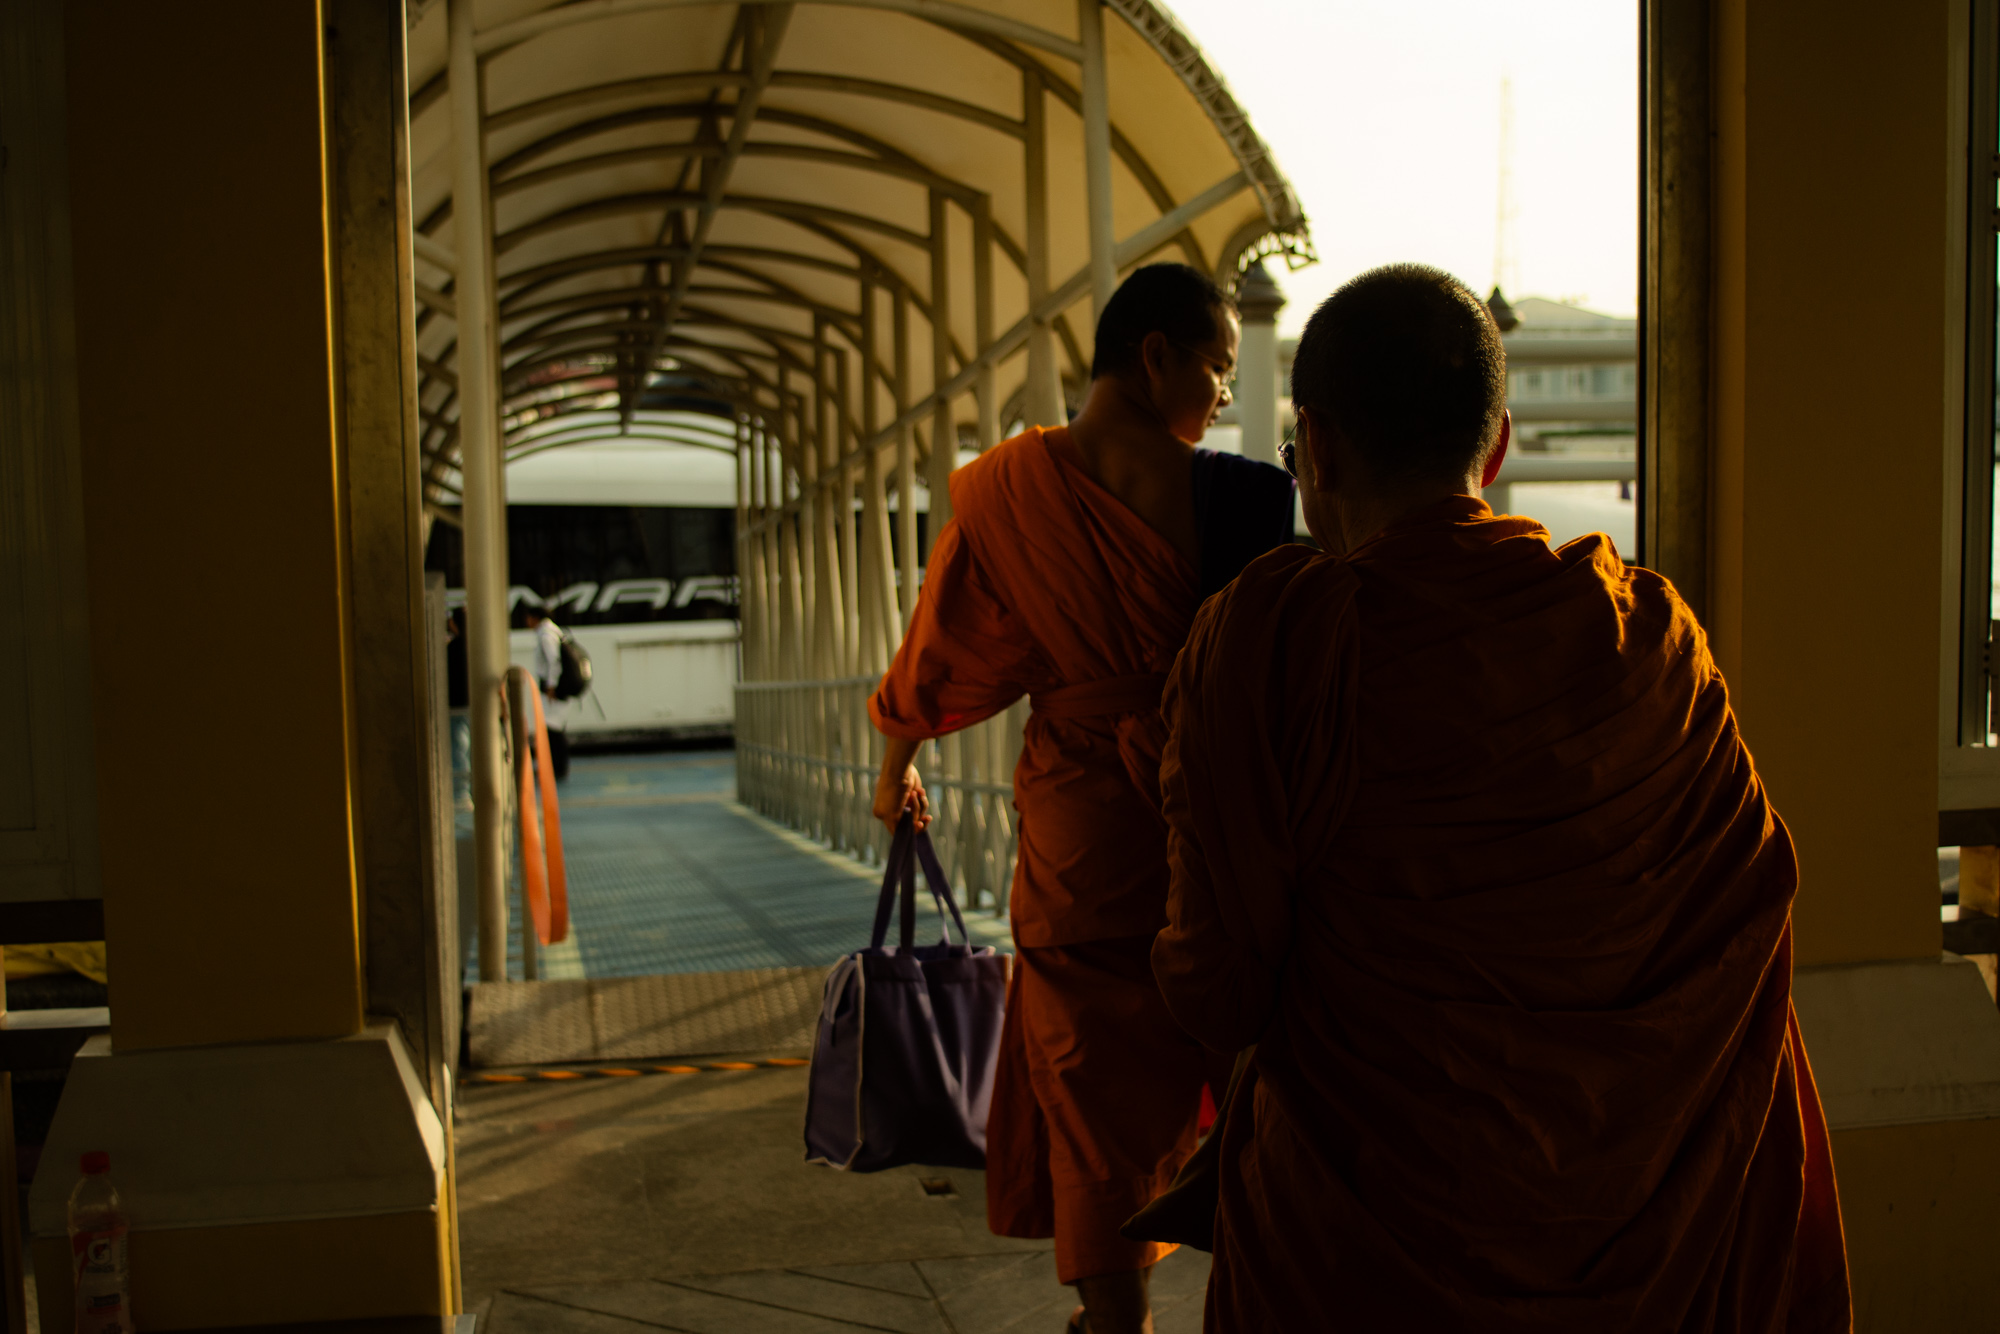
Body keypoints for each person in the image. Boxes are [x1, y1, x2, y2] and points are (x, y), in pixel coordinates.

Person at [1154, 264, 1850, 1331]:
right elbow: (1735, 942)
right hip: (1649, 1242)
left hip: (1357, 1258)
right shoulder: (1650, 635)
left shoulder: (1273, 643)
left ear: (1321, 448)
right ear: (1498, 445)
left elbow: (1214, 989)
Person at [868, 263, 1295, 1334]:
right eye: (1216, 369)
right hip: (1217, 818)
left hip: (1081, 834)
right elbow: (1275, 671)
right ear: (1156, 357)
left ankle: (1117, 1324)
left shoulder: (1007, 495)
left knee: (1091, 1089)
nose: (1220, 399)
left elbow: (940, 652)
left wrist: (893, 769)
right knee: (1254, 1068)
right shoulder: (1242, 499)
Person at [521, 603, 571, 782]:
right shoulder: (552, 631)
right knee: (554, 727)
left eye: (528, 617)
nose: (527, 621)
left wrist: (551, 685)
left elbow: (553, 661)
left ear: (535, 618)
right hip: (554, 686)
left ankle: (556, 768)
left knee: (552, 728)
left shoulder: (546, 635)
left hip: (553, 688)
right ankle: (555, 767)